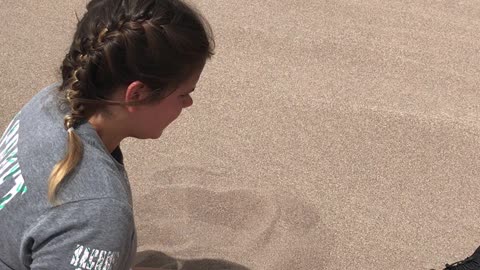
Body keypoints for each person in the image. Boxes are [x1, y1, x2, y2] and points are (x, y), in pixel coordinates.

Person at [0, 0, 214, 269]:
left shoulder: (49, 101)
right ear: (136, 94)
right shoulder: (98, 213)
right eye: (184, 94)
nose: (188, 104)